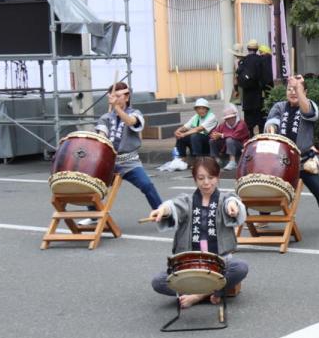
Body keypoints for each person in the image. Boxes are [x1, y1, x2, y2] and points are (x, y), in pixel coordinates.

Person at [149, 156, 248, 308]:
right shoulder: (187, 201)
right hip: (190, 265)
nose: (206, 183)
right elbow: (173, 206)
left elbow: (232, 201)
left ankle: (197, 295)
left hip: (219, 264)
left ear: (218, 177)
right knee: (158, 281)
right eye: (201, 178)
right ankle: (214, 292)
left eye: (211, 177)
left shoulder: (225, 199)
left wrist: (233, 207)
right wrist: (162, 210)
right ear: (195, 179)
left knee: (240, 267)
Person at [265, 74, 319, 234]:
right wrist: (271, 129)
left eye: (297, 90)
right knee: (269, 187)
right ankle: (263, 218)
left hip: (304, 160)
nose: (293, 92)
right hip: (282, 161)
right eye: (289, 89)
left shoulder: (309, 105)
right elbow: (272, 122)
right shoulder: (279, 107)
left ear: (305, 91)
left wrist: (298, 88)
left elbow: (309, 113)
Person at [93, 81, 163, 210]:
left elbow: (131, 122)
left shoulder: (135, 113)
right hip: (109, 162)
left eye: (118, 96)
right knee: (91, 185)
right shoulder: (105, 118)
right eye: (113, 96)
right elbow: (102, 136)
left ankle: (163, 213)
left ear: (126, 96)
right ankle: (94, 216)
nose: (115, 99)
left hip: (129, 161)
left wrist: (117, 108)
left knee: (147, 185)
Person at [237, 39, 273, 135]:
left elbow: (238, 78)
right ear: (257, 49)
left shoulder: (243, 61)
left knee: (249, 125)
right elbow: (267, 78)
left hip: (247, 97)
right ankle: (261, 139)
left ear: (248, 49)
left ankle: (250, 140)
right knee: (261, 122)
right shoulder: (261, 60)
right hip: (259, 97)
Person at [210, 105, 251, 171]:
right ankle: (217, 160)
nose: (229, 120)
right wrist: (214, 135)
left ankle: (232, 161)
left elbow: (235, 135)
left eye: (231, 117)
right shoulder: (223, 124)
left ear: (235, 116)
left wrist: (221, 135)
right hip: (226, 147)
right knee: (212, 141)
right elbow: (214, 132)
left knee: (230, 140)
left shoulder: (241, 124)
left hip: (241, 147)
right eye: (227, 118)